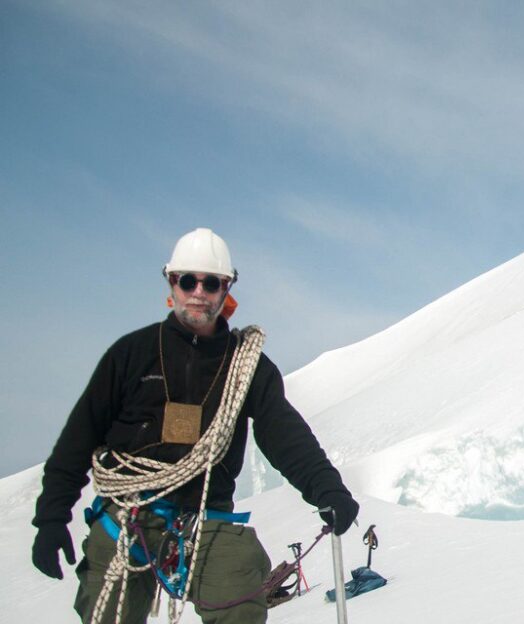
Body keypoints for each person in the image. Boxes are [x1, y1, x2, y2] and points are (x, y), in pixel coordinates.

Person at [31, 228, 359, 623]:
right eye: (188, 280)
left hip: (207, 519)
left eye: (211, 282)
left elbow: (283, 432)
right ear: (172, 283)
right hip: (128, 514)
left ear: (227, 289)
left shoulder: (247, 365)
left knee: (239, 594)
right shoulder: (131, 355)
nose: (199, 291)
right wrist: (51, 518)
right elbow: (78, 437)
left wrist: (326, 488)